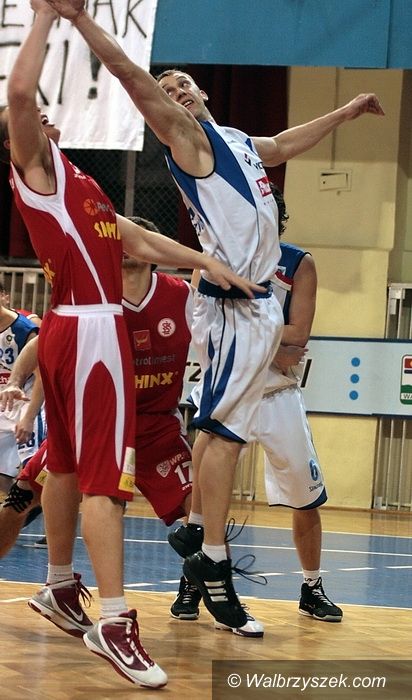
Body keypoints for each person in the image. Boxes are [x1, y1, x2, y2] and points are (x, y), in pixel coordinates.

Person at [46, 0, 385, 633]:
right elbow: (130, 75)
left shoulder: (235, 140)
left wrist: (345, 112)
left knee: (214, 428)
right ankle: (212, 561)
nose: (175, 91)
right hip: (234, 306)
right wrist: (84, 22)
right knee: (224, 436)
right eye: (168, 89)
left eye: (183, 84)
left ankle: (197, 535)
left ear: (203, 92)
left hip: (253, 307)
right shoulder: (188, 140)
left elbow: (283, 144)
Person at [0, 1, 262, 688]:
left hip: (71, 330)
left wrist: (206, 263)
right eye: (33, 122)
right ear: (19, 139)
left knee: (63, 467)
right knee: (105, 486)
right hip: (90, 329)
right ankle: (115, 623)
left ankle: (60, 583)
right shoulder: (36, 174)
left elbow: (136, 238)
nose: (44, 118)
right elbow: (20, 93)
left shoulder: (78, 184)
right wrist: (44, 17)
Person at [170, 187, 343, 623]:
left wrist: (253, 343)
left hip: (277, 394)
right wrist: (272, 345)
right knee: (207, 499)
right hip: (227, 387)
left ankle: (312, 586)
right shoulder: (211, 262)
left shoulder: (299, 263)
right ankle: (193, 584)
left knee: (307, 498)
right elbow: (202, 331)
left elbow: (299, 335)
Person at [0, 282, 45, 494]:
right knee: (3, 478)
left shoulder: (24, 328)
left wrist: (29, 417)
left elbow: (42, 377)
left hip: (29, 400)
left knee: (32, 472)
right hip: (5, 404)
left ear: (4, 296)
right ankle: (25, 509)